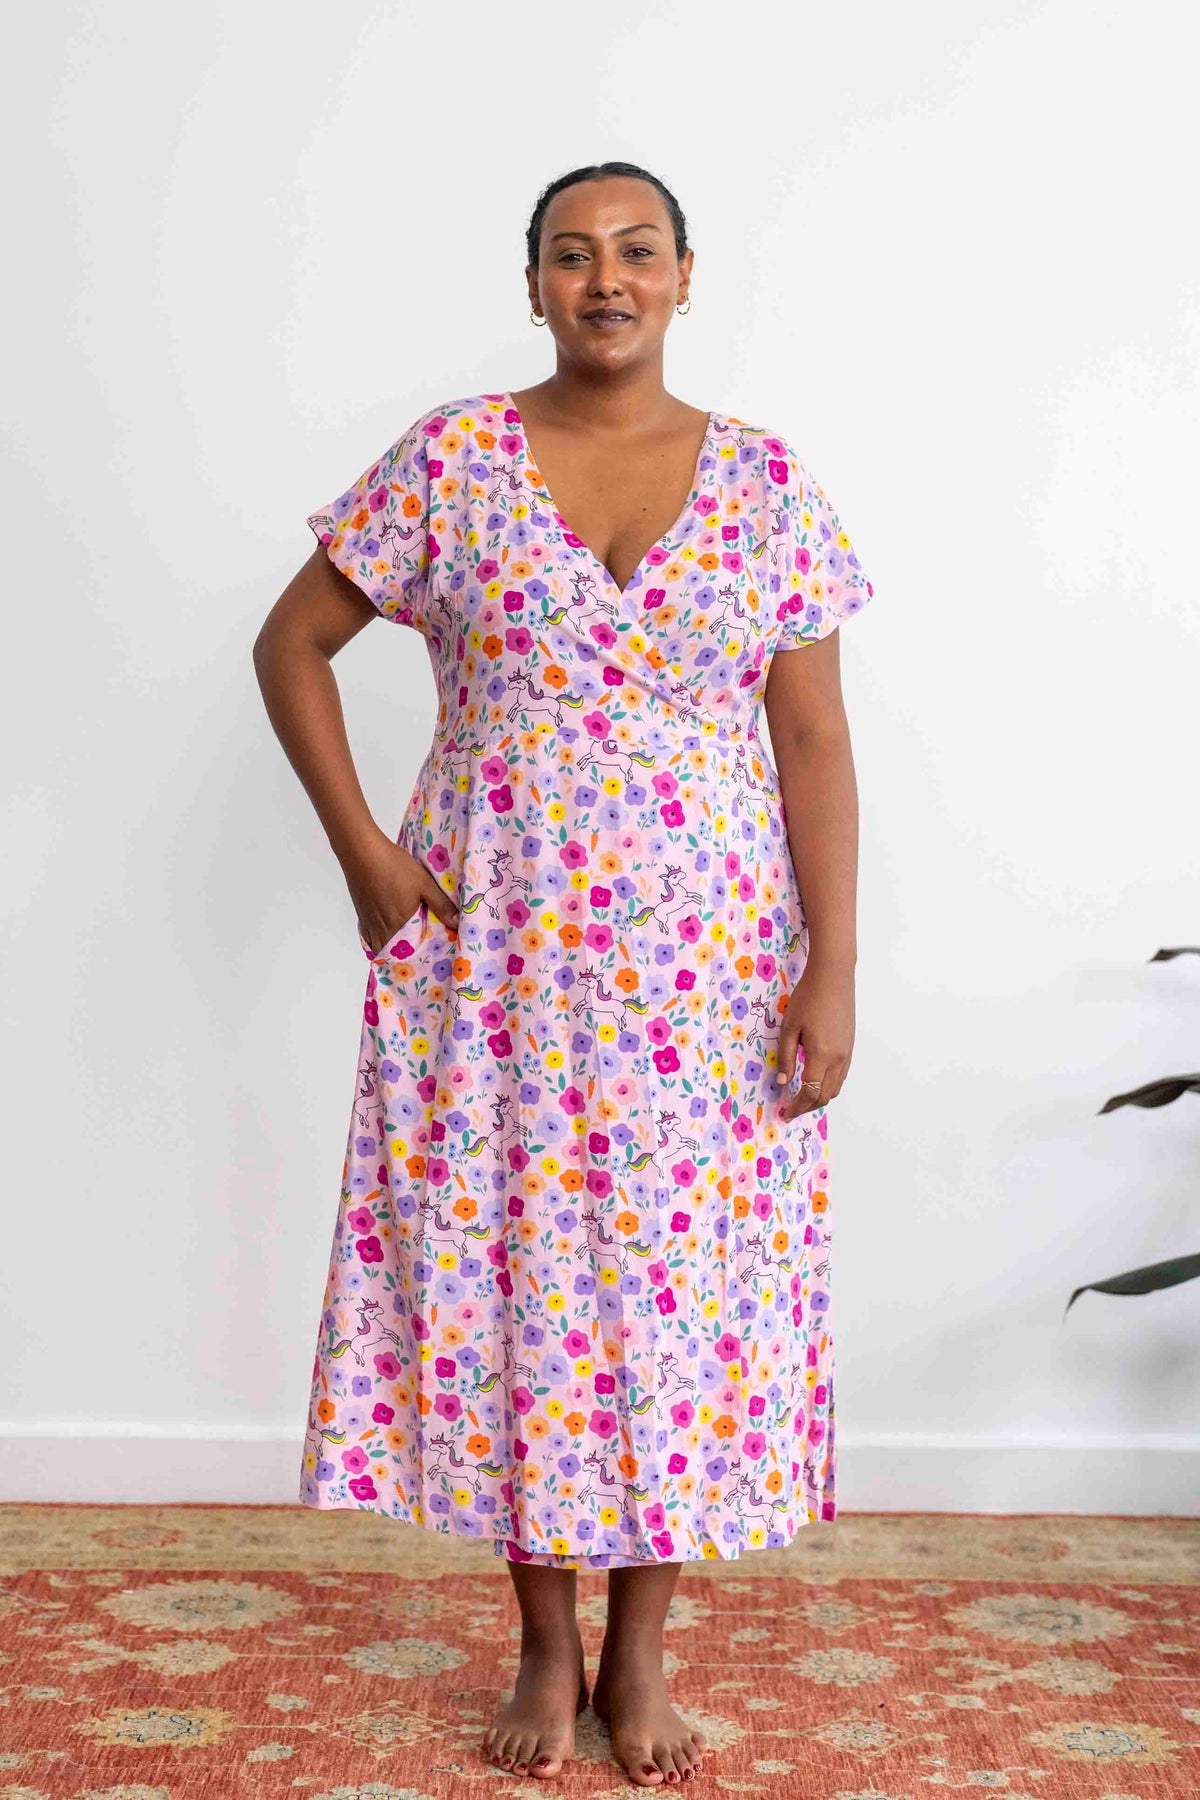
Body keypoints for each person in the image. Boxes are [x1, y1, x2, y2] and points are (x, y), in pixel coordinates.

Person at [253, 159, 873, 1788]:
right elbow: (290, 644)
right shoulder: (454, 460)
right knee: (511, 1274)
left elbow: (813, 740)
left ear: (687, 277)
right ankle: (543, 1641)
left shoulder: (767, 483)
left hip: (706, 968)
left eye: (638, 251)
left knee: (678, 1287)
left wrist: (833, 967)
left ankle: (643, 1647)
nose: (608, 279)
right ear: (531, 284)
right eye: (574, 254)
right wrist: (365, 855)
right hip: (498, 956)